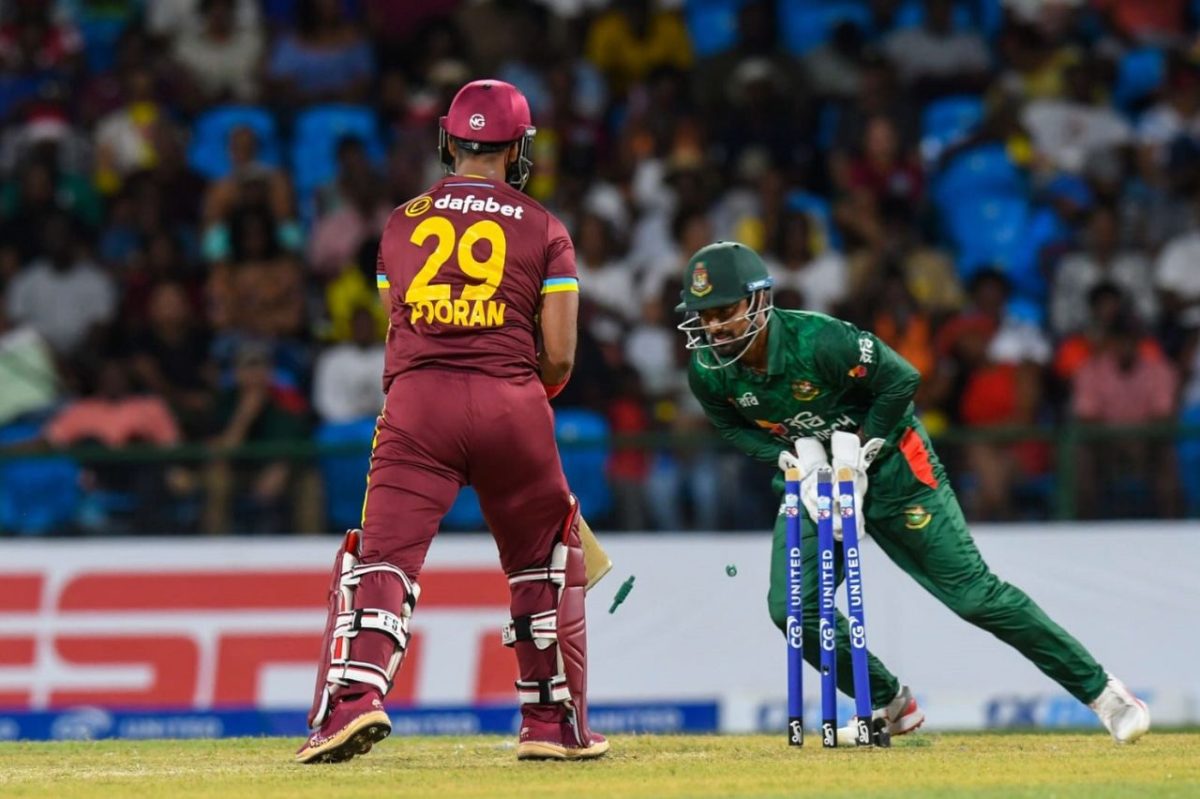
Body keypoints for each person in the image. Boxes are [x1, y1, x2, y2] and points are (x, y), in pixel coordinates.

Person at [677, 240, 1151, 744]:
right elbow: (730, 426)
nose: (714, 327)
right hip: (817, 484)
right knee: (794, 612)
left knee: (975, 598)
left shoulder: (819, 341)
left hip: (896, 475)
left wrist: (862, 450)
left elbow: (902, 380)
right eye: (704, 315)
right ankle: (890, 701)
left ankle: (1105, 694)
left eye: (725, 311)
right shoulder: (709, 371)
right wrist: (790, 457)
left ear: (759, 300)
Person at [296, 80, 608, 764]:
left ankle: (352, 702)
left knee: (381, 555)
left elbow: (400, 320)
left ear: (449, 140)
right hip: (511, 401)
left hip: (418, 405)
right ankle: (552, 724)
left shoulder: (399, 221)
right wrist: (522, 395)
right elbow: (558, 353)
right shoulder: (546, 227)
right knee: (546, 561)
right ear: (520, 147)